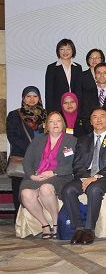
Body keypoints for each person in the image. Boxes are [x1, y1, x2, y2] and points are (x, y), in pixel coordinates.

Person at [61, 107, 106, 245]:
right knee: (68, 190)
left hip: (105, 178)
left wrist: (96, 177)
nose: (99, 119)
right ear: (90, 121)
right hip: (84, 177)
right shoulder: (82, 140)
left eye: (102, 116)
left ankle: (89, 230)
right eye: (95, 117)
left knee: (93, 189)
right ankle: (78, 229)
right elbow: (77, 164)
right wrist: (84, 177)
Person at [19, 111, 76, 239]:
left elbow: (72, 165)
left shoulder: (71, 140)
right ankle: (45, 225)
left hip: (59, 176)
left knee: (46, 189)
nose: (55, 124)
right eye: (51, 121)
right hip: (37, 176)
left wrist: (53, 172)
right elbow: (27, 161)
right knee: (26, 194)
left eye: (58, 121)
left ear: (63, 124)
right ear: (47, 125)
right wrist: (32, 176)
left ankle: (55, 224)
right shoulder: (38, 139)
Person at [7, 86, 47, 215]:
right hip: (22, 157)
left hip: (41, 160)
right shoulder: (15, 115)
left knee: (37, 191)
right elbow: (12, 137)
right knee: (19, 190)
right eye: (28, 96)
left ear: (39, 98)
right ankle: (20, 221)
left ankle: (36, 220)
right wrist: (31, 153)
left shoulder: (45, 115)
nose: (31, 99)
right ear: (23, 98)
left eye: (35, 96)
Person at [45, 38, 83, 113]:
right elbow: (49, 92)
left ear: (73, 51)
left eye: (68, 49)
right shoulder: (52, 68)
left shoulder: (78, 67)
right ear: (58, 51)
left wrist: (79, 108)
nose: (65, 52)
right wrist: (50, 111)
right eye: (62, 49)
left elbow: (79, 90)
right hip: (58, 107)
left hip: (74, 107)